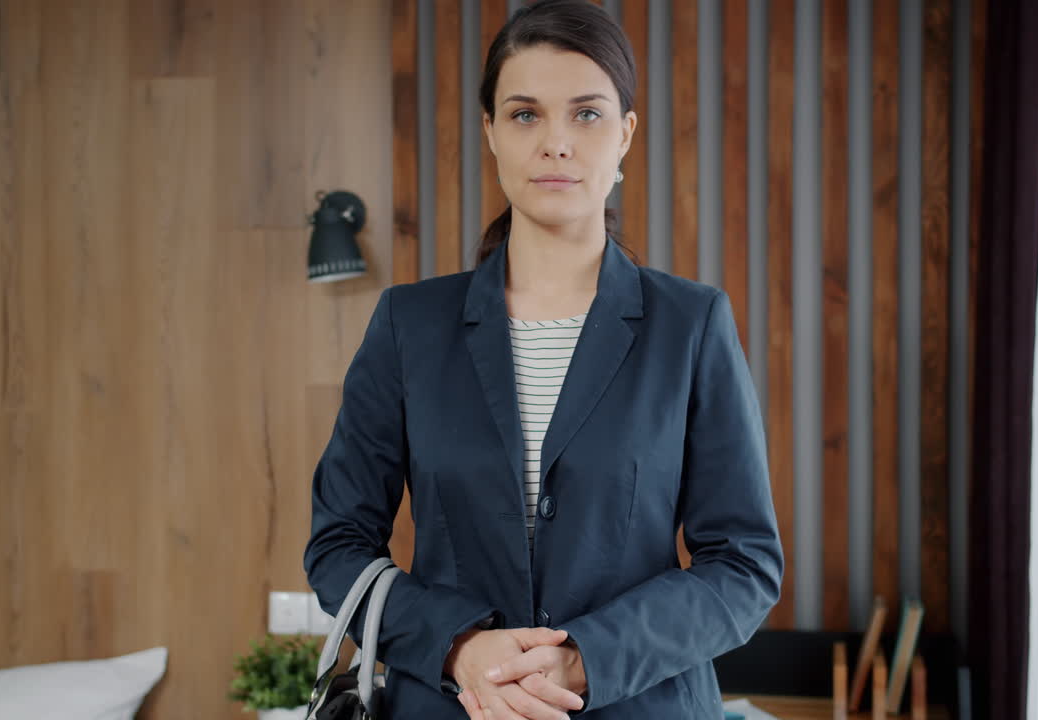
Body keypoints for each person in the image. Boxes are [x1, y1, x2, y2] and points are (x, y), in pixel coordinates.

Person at [303, 1, 783, 717]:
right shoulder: (411, 324)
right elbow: (339, 545)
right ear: (491, 132)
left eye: (586, 114)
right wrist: (458, 646)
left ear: (625, 135)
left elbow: (743, 567)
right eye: (526, 114)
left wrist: (585, 658)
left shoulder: (691, 324)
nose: (555, 141)